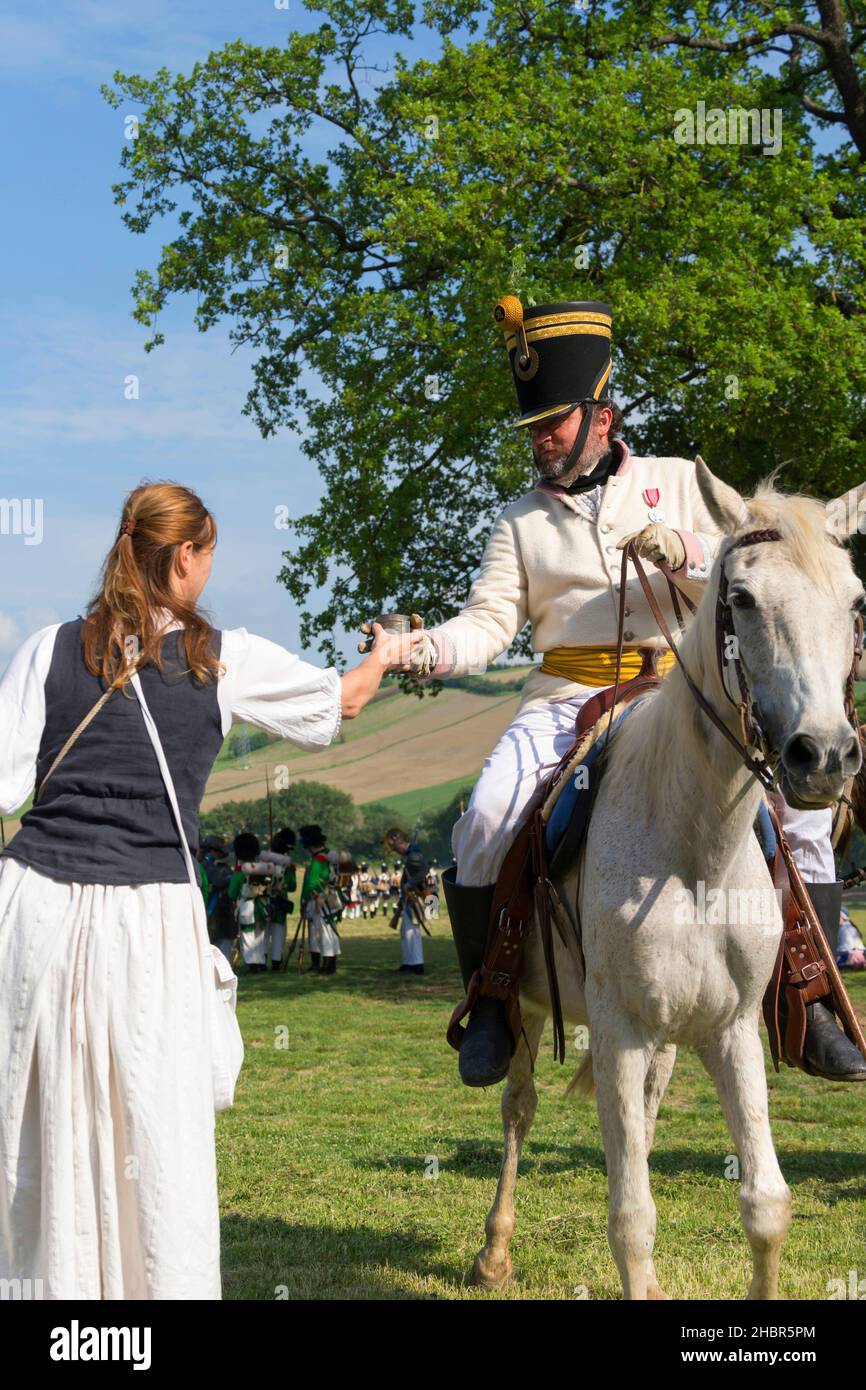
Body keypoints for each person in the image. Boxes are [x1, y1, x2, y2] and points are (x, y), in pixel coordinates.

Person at [407, 295, 866, 1087]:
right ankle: (491, 997)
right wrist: (424, 648)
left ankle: (810, 1000)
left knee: (799, 815)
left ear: (602, 416)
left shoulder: (681, 481)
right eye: (533, 427)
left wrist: (683, 545)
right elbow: (486, 624)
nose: (540, 439)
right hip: (565, 696)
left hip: (680, 693)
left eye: (554, 422)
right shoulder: (518, 522)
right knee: (482, 820)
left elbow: (750, 553)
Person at [0, 480, 421, 1299]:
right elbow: (341, 701)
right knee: (155, 1139)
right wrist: (385, 655)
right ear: (185, 555)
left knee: (38, 1125)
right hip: (145, 919)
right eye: (206, 558)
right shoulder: (220, 657)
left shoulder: (47, 649)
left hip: (33, 910)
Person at [299, 824, 341, 975]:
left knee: (324, 932)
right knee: (331, 930)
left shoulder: (318, 860)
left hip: (320, 900)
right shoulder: (330, 855)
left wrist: (305, 898)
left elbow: (311, 883)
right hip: (332, 898)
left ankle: (328, 966)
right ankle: (331, 963)